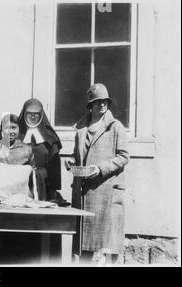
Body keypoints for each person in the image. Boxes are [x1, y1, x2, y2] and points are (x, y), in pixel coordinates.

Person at [65, 83, 129, 265]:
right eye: (98, 102)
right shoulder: (81, 129)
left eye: (105, 101)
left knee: (109, 247)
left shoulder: (115, 127)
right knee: (85, 246)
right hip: (85, 194)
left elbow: (124, 156)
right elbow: (77, 156)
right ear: (90, 105)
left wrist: (100, 168)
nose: (102, 105)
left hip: (106, 192)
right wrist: (70, 162)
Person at [18, 98, 63, 201]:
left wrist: (53, 190)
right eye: (29, 113)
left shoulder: (50, 137)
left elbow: (54, 166)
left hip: (43, 183)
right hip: (19, 182)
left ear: (41, 115)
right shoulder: (15, 133)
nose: (33, 116)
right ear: (24, 114)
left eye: (36, 113)